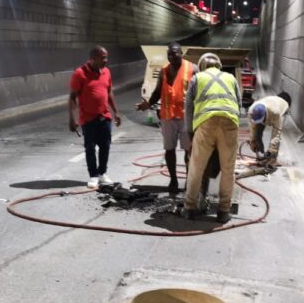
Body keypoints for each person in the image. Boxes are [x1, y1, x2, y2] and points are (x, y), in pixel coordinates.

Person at [182, 53, 242, 223]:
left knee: (196, 168)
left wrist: (191, 134)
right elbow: (238, 103)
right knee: (228, 170)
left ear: (202, 66)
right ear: (219, 66)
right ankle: (223, 211)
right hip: (230, 123)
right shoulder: (231, 78)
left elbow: (188, 107)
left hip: (206, 124)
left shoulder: (197, 78)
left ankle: (189, 208)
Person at [135, 42, 198, 193]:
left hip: (186, 117)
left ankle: (189, 181)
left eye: (175, 53)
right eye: (169, 54)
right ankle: (173, 180)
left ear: (181, 53)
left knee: (189, 151)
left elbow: (198, 93)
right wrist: (148, 104)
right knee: (169, 150)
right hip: (168, 116)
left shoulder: (193, 69)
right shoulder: (163, 71)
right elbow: (158, 91)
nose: (172, 56)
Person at [69, 46, 121, 189]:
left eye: (106, 57)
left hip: (104, 116)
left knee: (105, 146)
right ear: (93, 58)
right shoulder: (80, 74)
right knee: (90, 148)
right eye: (103, 57)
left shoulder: (106, 72)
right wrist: (72, 118)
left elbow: (109, 91)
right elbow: (72, 97)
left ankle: (102, 173)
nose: (106, 60)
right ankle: (93, 176)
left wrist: (116, 111)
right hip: (88, 118)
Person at [248, 92, 292, 166]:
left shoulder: (276, 113)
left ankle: (273, 159)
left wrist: (271, 151)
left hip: (281, 106)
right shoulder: (252, 111)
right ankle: (262, 152)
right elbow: (253, 128)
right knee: (257, 134)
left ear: (265, 115)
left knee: (276, 138)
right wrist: (253, 141)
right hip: (268, 104)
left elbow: (276, 133)